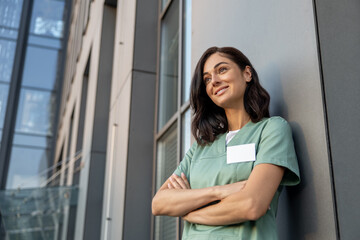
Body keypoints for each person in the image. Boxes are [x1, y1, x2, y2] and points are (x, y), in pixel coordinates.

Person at [152, 46, 300, 240]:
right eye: (207, 79)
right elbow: (159, 203)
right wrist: (220, 191)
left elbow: (252, 205)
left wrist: (190, 213)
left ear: (247, 74)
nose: (214, 81)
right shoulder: (201, 147)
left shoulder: (271, 130)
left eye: (222, 70)